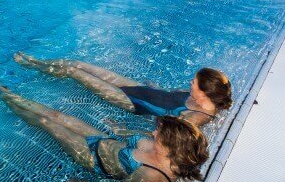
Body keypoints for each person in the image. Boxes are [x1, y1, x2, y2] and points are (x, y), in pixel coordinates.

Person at [0, 82, 208, 182]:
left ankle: (8, 103)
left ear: (170, 149)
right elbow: (134, 137)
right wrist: (119, 129)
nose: (153, 134)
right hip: (103, 140)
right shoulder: (164, 149)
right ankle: (11, 96)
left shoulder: (153, 176)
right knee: (57, 116)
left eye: (158, 135)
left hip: (91, 156)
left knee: (46, 122)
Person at [14, 53, 232, 129]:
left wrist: (123, 128)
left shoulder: (195, 118)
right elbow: (170, 96)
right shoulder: (200, 95)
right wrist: (155, 88)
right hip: (141, 89)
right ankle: (37, 63)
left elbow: (166, 136)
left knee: (74, 72)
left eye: (194, 82)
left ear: (204, 92)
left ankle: (32, 65)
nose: (190, 83)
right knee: (79, 64)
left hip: (132, 102)